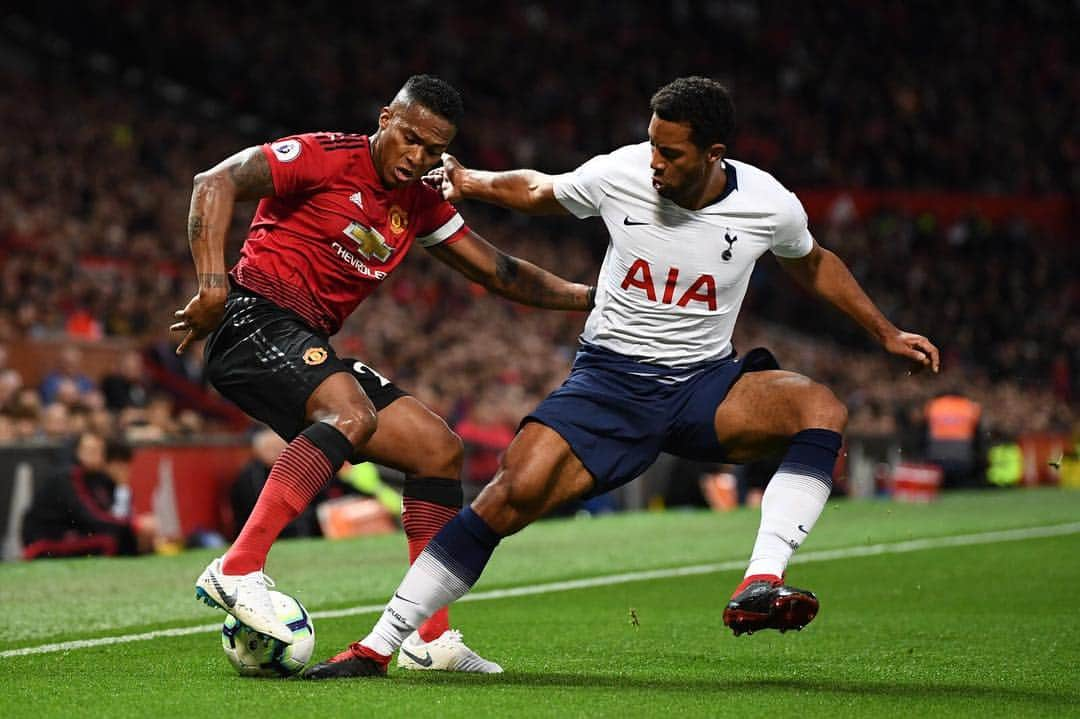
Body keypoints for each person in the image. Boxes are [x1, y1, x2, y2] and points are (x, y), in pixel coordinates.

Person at [302, 76, 940, 679]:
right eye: (653, 144)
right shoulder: (622, 172)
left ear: (713, 154)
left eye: (670, 152)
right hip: (608, 384)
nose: (655, 161)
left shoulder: (769, 205)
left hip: (703, 386)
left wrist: (884, 332)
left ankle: (760, 580)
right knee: (505, 497)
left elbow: (814, 262)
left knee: (819, 406)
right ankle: (379, 645)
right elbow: (539, 190)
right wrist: (471, 182)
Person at [172, 75, 593, 673]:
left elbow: (498, 272)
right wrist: (212, 285)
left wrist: (590, 298)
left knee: (436, 450)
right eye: (412, 140)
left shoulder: (418, 201)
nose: (418, 158)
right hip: (252, 318)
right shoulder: (322, 156)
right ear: (386, 118)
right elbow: (212, 182)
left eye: (433, 150)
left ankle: (429, 638)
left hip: (306, 338)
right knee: (348, 412)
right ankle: (237, 567)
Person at [21, 431, 157, 558]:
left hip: (75, 535)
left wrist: (122, 488)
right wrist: (134, 524)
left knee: (126, 537)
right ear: (78, 452)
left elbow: (114, 514)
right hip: (45, 541)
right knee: (109, 540)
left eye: (98, 450)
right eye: (89, 450)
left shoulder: (99, 478)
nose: (95, 454)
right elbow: (89, 517)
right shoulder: (69, 476)